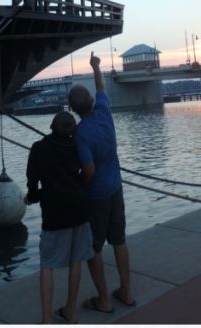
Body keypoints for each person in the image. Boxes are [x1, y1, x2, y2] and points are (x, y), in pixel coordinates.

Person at [69, 52, 134, 314]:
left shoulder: (80, 132)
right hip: (116, 189)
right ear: (93, 102)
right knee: (119, 240)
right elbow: (101, 86)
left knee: (93, 247)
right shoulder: (105, 111)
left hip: (96, 196)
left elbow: (89, 170)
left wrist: (79, 183)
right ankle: (126, 293)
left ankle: (104, 300)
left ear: (73, 110)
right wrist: (96, 66)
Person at [25, 111, 92, 324]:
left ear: (51, 126)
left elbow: (32, 183)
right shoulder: (77, 147)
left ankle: (46, 320)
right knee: (76, 260)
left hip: (54, 214)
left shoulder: (38, 148)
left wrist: (32, 198)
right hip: (80, 209)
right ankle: (70, 311)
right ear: (73, 129)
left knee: (47, 264)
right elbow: (86, 172)